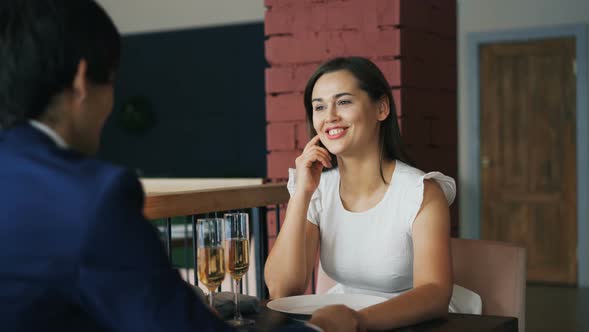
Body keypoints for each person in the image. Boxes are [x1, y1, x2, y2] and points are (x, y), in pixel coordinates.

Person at [0, 1, 365, 331]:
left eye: (343, 102)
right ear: (82, 79)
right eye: (112, 81)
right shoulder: (91, 198)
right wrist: (321, 330)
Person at [264, 57, 481, 330]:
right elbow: (281, 289)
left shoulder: (422, 192)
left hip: (414, 321)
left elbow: (435, 293)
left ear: (381, 108)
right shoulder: (318, 190)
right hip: (342, 317)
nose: (329, 116)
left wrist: (357, 322)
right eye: (319, 106)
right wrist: (301, 195)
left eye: (343, 102)